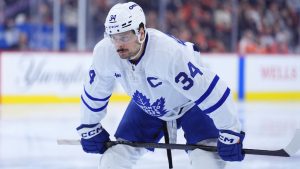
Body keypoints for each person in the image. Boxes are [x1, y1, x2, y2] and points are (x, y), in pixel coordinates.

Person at [76, 2, 245, 169]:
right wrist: (89, 126)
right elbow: (95, 91)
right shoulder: (105, 52)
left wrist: (230, 131)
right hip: (147, 106)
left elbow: (210, 91)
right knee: (112, 162)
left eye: (124, 37)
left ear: (141, 32)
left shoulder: (168, 54)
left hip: (191, 106)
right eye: (114, 37)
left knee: (207, 164)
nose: (118, 45)